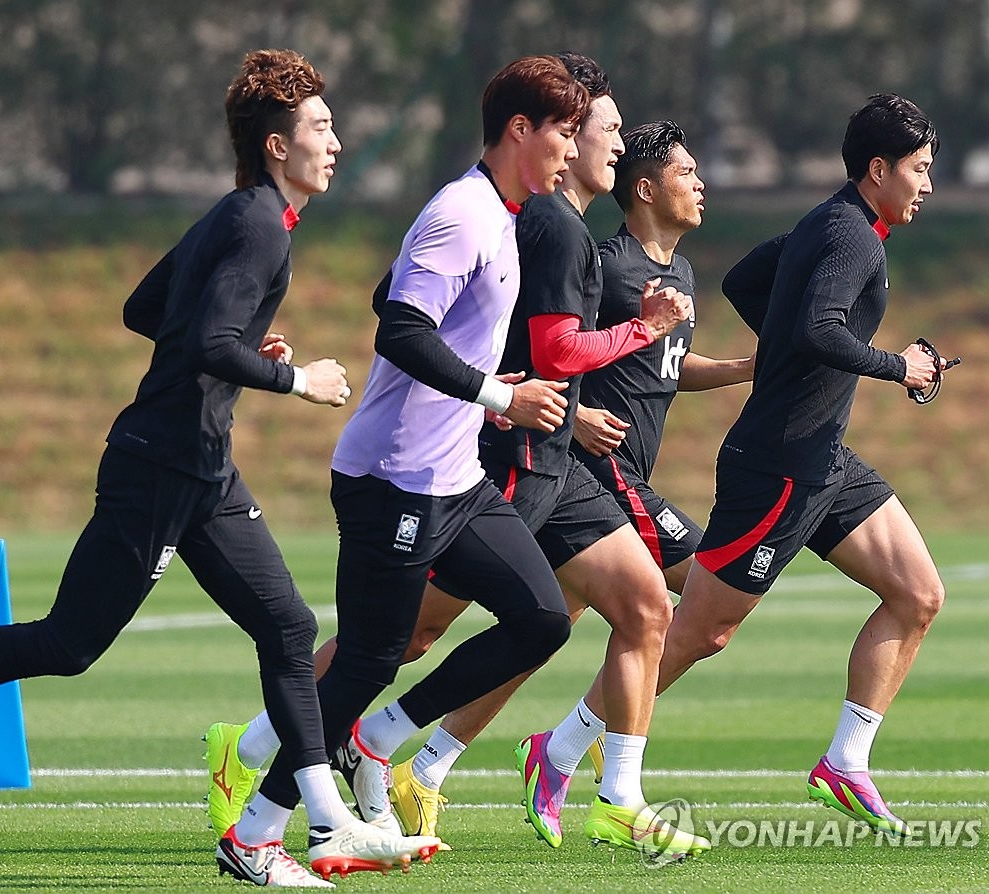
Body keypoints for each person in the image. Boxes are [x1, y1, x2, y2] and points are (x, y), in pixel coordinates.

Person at [0, 48, 439, 889]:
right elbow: (201, 338)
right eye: (322, 128)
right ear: (276, 148)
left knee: (290, 629)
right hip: (157, 468)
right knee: (70, 644)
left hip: (204, 470)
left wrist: (235, 347)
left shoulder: (244, 217)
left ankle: (312, 827)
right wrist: (294, 377)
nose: (337, 142)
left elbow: (146, 309)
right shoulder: (256, 225)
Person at [211, 54, 586, 873]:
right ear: (519, 131)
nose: (575, 146)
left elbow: (395, 298)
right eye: (564, 131)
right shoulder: (465, 213)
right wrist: (496, 395)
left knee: (541, 619)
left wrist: (484, 377)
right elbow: (400, 330)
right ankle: (256, 833)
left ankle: (376, 743)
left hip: (454, 480)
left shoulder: (502, 212)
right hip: (393, 477)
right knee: (371, 656)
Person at [656, 93, 950, 839]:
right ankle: (562, 748)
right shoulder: (855, 239)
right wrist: (899, 366)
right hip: (781, 462)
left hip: (825, 458)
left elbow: (748, 283)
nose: (927, 185)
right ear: (878, 169)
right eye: (918, 170)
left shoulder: (831, 223)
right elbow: (819, 327)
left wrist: (787, 349)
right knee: (700, 632)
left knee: (917, 594)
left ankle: (845, 765)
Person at [505, 119, 753, 847]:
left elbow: (670, 367)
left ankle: (442, 757)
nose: (701, 184)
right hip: (591, 474)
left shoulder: (678, 275)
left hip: (623, 475)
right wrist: (575, 417)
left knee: (545, 625)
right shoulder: (608, 267)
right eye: (687, 173)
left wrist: (741, 369)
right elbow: (550, 349)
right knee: (704, 601)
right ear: (646, 189)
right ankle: (596, 781)